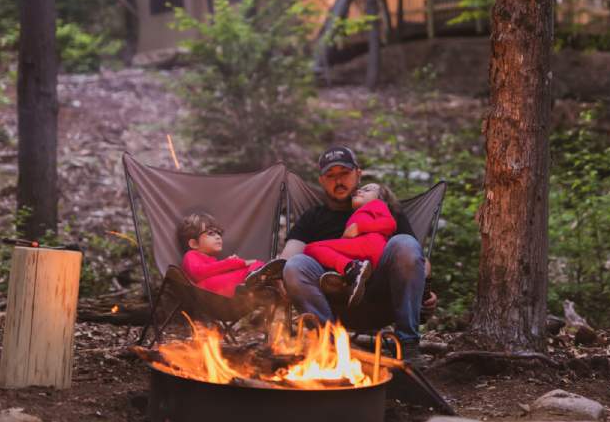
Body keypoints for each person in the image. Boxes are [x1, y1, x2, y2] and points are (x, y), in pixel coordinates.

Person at [279, 146, 430, 364]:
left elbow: (417, 257)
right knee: (294, 265)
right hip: (332, 298)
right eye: (330, 176)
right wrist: (279, 277)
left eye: (344, 173)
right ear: (321, 181)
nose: (338, 181)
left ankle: (408, 345)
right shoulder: (313, 217)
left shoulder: (385, 209)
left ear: (358, 173)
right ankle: (329, 349)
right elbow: (290, 255)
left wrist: (425, 287)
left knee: (405, 243)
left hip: (382, 294)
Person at [304, 183, 401, 307]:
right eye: (360, 189)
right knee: (328, 252)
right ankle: (351, 277)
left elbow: (390, 224)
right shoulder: (360, 212)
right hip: (364, 253)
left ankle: (350, 268)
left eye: (367, 190)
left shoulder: (378, 204)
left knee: (311, 248)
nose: (359, 191)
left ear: (380, 197)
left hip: (370, 246)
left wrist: (358, 227)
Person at [178, 211, 283, 297]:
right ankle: (255, 280)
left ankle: (259, 281)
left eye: (218, 233)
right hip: (206, 292)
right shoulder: (191, 255)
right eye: (211, 233)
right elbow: (198, 273)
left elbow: (217, 271)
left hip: (221, 290)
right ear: (194, 243)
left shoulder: (213, 259)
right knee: (255, 266)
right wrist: (231, 263)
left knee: (256, 265)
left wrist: (232, 266)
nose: (218, 237)